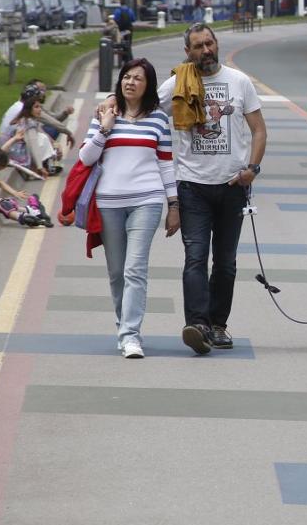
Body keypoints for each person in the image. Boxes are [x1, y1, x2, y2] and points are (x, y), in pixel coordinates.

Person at [157, 24, 268, 355]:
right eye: (197, 46)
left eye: (209, 43)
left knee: (226, 262)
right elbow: (143, 106)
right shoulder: (177, 83)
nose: (205, 50)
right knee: (195, 258)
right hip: (192, 186)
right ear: (188, 52)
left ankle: (218, 325)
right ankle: (198, 325)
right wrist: (112, 105)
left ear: (216, 44)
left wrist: (252, 169)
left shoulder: (239, 82)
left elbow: (259, 130)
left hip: (233, 186)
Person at [78, 58, 178, 359]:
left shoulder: (159, 119)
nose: (130, 82)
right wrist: (104, 130)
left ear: (148, 86)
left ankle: (131, 335)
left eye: (138, 78)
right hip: (108, 203)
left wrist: (174, 204)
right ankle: (123, 327)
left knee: (136, 269)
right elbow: (85, 158)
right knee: (117, 272)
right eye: (126, 77)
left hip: (146, 201)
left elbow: (166, 163)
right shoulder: (105, 115)